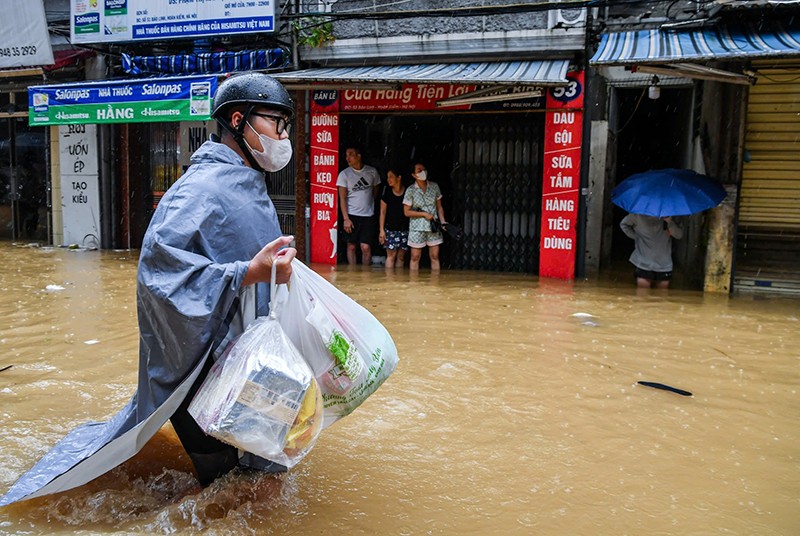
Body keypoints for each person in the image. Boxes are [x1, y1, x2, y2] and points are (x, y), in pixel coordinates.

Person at [0, 73, 300, 507]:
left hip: (245, 370)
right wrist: (244, 272)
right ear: (240, 120)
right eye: (277, 122)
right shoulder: (199, 189)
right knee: (231, 498)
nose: (284, 136)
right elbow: (158, 276)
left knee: (258, 488)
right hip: (200, 374)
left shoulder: (246, 184)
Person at [337, 146, 380, 265]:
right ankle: (352, 274)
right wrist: (346, 218)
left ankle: (366, 276)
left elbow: (375, 192)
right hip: (351, 215)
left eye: (350, 154)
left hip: (368, 215)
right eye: (346, 155)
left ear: (358, 156)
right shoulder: (344, 174)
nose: (347, 158)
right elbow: (342, 198)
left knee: (365, 247)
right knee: (351, 246)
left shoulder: (372, 172)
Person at [620, 213, 683, 289]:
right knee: (642, 296)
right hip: (644, 262)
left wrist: (669, 222)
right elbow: (624, 224)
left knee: (662, 297)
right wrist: (636, 237)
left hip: (664, 264)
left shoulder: (671, 216)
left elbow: (679, 235)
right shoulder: (638, 215)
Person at [403, 162, 447, 271]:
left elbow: (439, 207)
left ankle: (435, 284)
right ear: (414, 175)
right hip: (417, 228)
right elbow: (406, 212)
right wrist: (423, 214)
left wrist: (443, 222)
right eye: (419, 170)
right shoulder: (410, 190)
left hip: (433, 226)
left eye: (424, 169)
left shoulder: (434, 186)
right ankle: (414, 284)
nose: (423, 172)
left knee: (435, 256)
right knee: (415, 257)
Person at [378, 167, 409, 269]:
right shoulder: (386, 192)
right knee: (391, 256)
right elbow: (382, 212)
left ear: (399, 178)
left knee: (401, 257)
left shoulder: (407, 192)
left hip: (404, 229)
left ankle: (398, 282)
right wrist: (382, 230)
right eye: (387, 177)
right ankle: (389, 281)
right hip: (390, 229)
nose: (388, 179)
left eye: (391, 177)